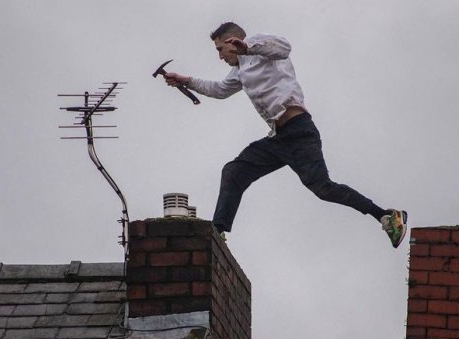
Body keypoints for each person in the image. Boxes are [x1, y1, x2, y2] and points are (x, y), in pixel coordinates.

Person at [163, 21, 407, 248]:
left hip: (300, 131)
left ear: (231, 42)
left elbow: (283, 47)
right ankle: (217, 233)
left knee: (323, 188)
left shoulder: (260, 48)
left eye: (220, 49)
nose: (220, 56)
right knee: (234, 171)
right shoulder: (239, 71)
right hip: (278, 138)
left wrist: (247, 47)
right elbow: (219, 90)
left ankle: (386, 216)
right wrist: (186, 80)